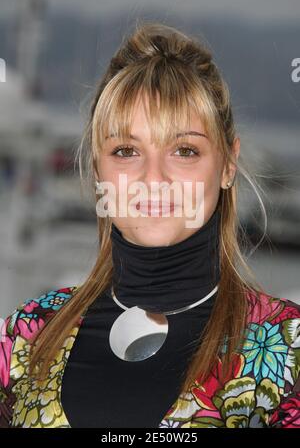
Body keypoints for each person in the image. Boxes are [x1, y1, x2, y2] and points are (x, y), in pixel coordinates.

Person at [0, 21, 299, 429]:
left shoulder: (289, 350)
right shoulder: (26, 336)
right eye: (126, 150)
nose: (153, 178)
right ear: (97, 166)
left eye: (184, 150)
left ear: (228, 164)